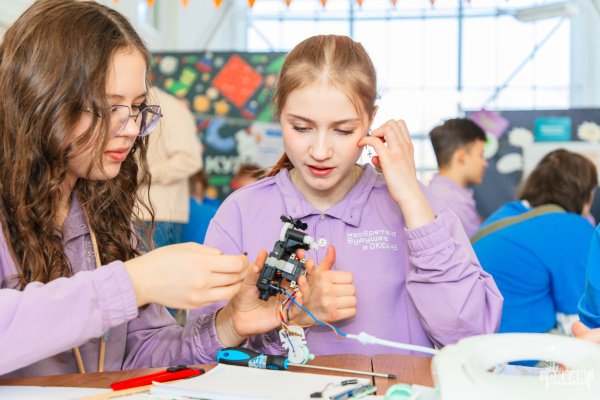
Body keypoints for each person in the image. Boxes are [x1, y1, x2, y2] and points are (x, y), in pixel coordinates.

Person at [0, 0, 306, 378]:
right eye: (108, 107)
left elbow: (138, 354)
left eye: (136, 107)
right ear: (41, 100)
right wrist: (133, 283)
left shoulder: (102, 218)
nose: (131, 128)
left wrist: (229, 325)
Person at [193, 34, 503, 357]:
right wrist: (289, 317)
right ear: (279, 111)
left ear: (371, 119)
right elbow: (205, 355)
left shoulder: (414, 204)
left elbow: (472, 338)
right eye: (301, 127)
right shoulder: (241, 213)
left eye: (343, 130)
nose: (320, 151)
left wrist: (412, 199)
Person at [472, 149, 597, 335]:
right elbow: (581, 319)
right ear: (584, 193)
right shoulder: (573, 227)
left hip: (472, 339)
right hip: (515, 347)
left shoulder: (506, 213)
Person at [136, 86, 202, 249]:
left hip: (155, 216)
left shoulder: (167, 106)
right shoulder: (135, 102)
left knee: (148, 266)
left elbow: (189, 159)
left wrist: (143, 174)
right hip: (144, 214)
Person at [428, 118, 488, 237]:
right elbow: (476, 246)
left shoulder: (437, 193)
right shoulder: (454, 202)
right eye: (481, 155)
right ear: (462, 156)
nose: (485, 163)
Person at [182, 169, 219, 245]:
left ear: (203, 183)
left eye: (196, 181)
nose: (195, 184)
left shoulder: (214, 206)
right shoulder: (180, 207)